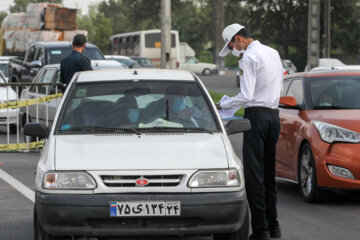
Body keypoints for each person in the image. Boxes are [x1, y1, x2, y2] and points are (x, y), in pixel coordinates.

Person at [217, 23, 283, 240]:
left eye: (231, 45)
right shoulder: (273, 53)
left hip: (256, 117)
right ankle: (274, 227)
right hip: (274, 117)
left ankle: (261, 231)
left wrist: (223, 104)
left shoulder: (247, 57)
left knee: (254, 177)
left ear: (238, 39)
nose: (233, 50)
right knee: (268, 175)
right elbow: (278, 88)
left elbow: (246, 95)